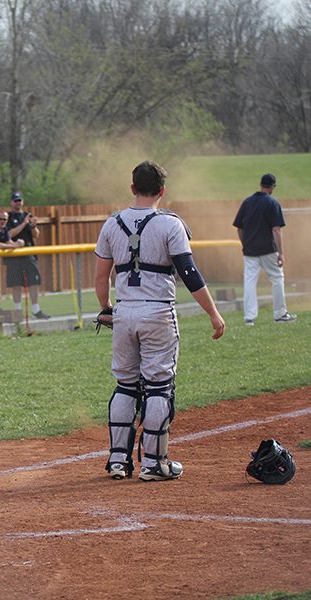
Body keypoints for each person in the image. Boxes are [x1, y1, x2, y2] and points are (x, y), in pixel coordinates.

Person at [94, 160, 225, 482]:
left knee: (125, 385)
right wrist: (213, 313)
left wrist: (106, 308)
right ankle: (154, 463)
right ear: (162, 191)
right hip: (157, 313)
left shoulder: (112, 223)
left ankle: (117, 461)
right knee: (158, 387)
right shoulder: (170, 225)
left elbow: (100, 275)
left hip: (124, 312)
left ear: (132, 188)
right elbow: (189, 273)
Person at [233, 173, 297, 325]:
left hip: (249, 250)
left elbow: (239, 229)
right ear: (272, 186)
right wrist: (281, 253)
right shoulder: (272, 203)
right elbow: (276, 230)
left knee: (249, 281)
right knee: (277, 278)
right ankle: (280, 314)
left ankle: (249, 317)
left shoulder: (247, 202)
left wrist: (245, 244)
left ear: (261, 184)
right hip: (268, 249)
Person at [7, 191, 49, 319]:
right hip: (13, 255)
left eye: (20, 200)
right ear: (11, 202)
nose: (18, 203)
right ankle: (18, 311)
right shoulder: (7, 217)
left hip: (29, 254)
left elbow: (36, 235)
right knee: (16, 284)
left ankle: (36, 310)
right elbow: (9, 234)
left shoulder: (27, 215)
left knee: (34, 282)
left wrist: (33, 225)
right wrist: (24, 224)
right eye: (15, 200)